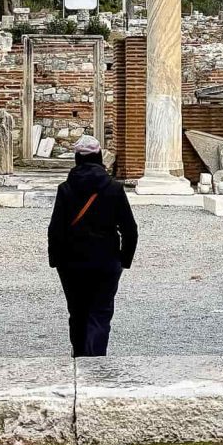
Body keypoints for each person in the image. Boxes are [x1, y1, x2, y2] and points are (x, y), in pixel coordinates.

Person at [47, 134, 138, 357]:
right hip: (106, 260)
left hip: (71, 262)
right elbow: (130, 229)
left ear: (77, 159)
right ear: (99, 157)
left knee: (77, 311)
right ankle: (96, 359)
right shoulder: (114, 188)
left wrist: (55, 260)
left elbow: (55, 229)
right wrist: (123, 260)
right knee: (100, 311)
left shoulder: (65, 189)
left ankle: (79, 356)